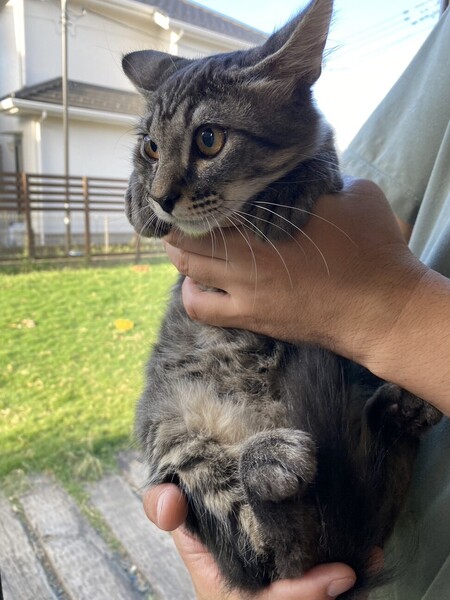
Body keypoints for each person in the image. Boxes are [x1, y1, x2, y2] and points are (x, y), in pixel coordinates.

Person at [143, 8, 450, 600]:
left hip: (377, 522)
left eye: (207, 140)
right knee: (180, 447)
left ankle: (283, 515)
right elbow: (372, 205)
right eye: (154, 150)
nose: (164, 190)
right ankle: (298, 504)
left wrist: (395, 311)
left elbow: (329, 180)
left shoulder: (289, 136)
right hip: (239, 418)